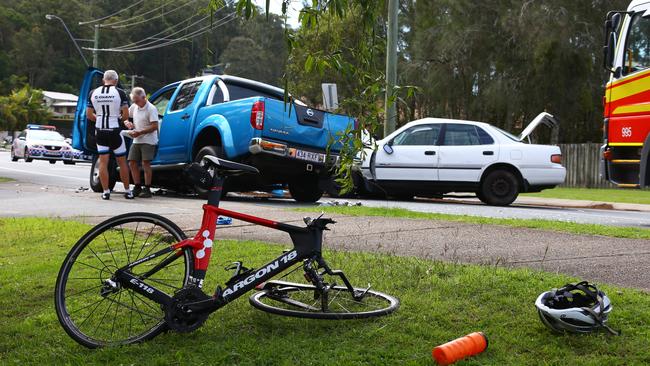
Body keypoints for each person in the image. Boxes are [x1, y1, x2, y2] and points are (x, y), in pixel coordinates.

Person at [86, 70, 134, 200]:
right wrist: (117, 119)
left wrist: (100, 119)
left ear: (103, 80)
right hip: (114, 130)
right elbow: (125, 115)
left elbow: (89, 115)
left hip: (100, 130)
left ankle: (106, 191)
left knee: (103, 161)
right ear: (116, 80)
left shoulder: (93, 93)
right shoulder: (120, 93)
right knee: (122, 161)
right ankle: (127, 191)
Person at [125, 87, 159, 198]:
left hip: (149, 140)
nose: (135, 103)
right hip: (137, 139)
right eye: (134, 100)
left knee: (145, 163)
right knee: (132, 162)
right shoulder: (134, 107)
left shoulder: (151, 108)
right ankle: (137, 186)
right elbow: (126, 116)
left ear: (144, 97)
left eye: (137, 100)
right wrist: (128, 123)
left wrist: (140, 131)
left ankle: (147, 188)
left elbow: (155, 126)